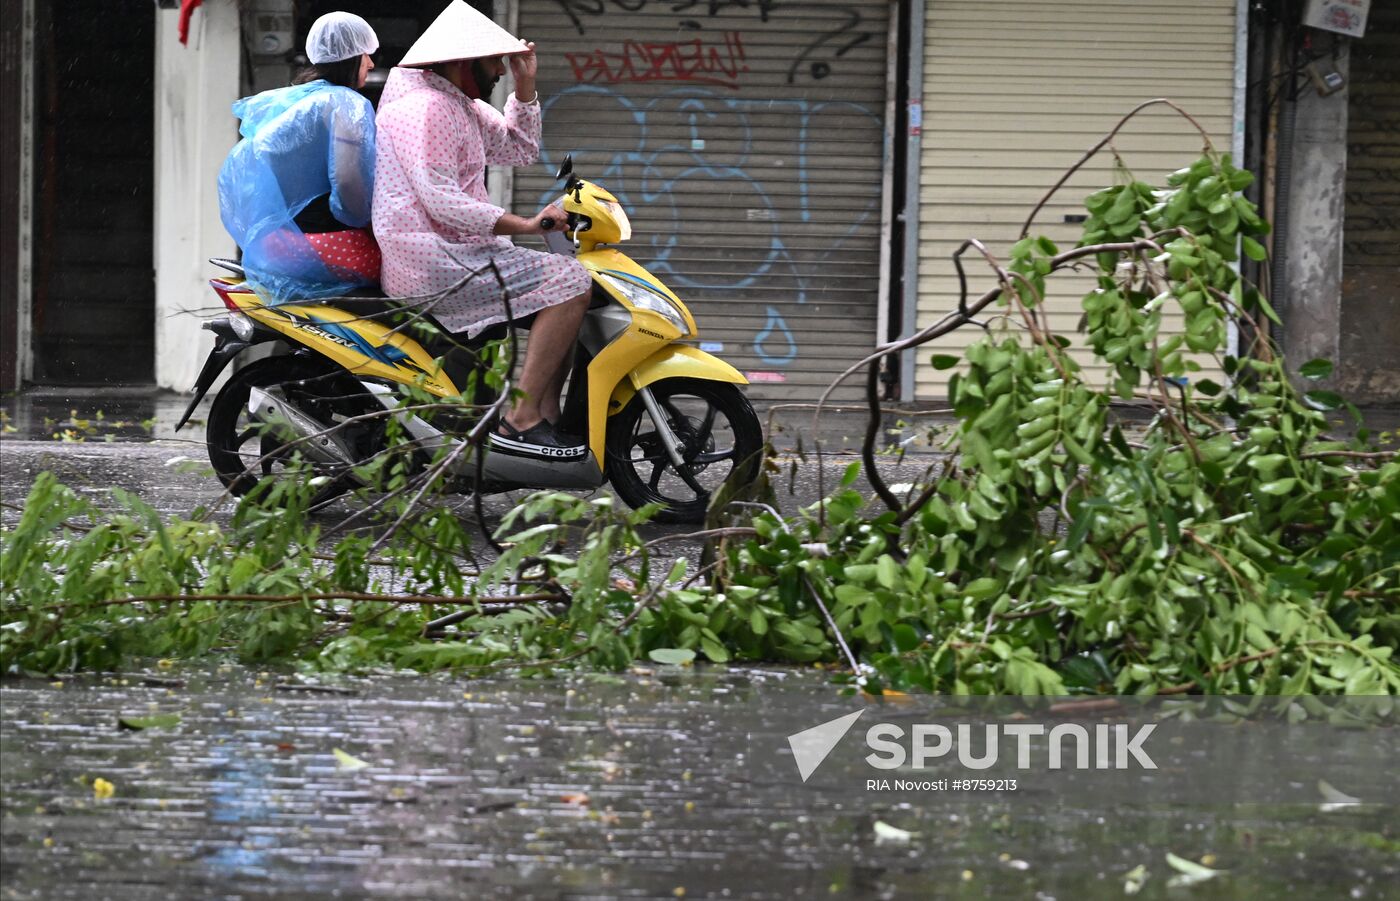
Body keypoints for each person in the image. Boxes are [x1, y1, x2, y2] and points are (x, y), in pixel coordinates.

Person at [372, 0, 591, 458]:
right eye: (494, 62)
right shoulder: (425, 108)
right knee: (570, 281)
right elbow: (440, 198)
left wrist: (526, 85)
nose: (499, 71)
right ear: (460, 62)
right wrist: (526, 225)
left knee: (569, 281)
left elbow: (520, 149)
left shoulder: (459, 105)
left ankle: (545, 416)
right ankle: (523, 420)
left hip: (460, 251)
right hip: (433, 257)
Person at [218, 12, 380, 304]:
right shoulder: (346, 104)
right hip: (327, 246)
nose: (371, 64)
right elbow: (350, 194)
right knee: (410, 275)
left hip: (273, 247)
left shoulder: (292, 101)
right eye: (366, 54)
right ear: (351, 56)